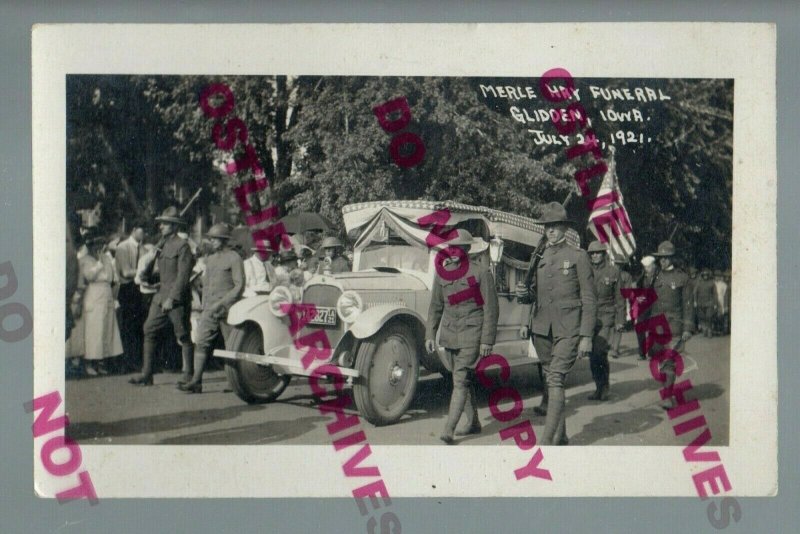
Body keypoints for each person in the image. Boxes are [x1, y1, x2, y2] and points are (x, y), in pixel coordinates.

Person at [517, 202, 595, 446]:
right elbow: (535, 295)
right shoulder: (539, 256)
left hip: (569, 329)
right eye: (547, 226)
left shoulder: (578, 256)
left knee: (556, 379)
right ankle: (560, 436)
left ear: (565, 228)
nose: (550, 231)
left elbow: (589, 299)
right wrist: (524, 294)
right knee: (551, 377)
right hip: (541, 328)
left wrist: (586, 336)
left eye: (555, 226)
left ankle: (547, 441)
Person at [426, 230, 498, 444]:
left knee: (460, 380)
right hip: (449, 336)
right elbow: (435, 307)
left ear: (467, 249)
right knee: (462, 379)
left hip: (471, 335)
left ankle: (449, 429)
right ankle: (474, 422)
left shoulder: (481, 272)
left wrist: (487, 340)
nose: (454, 252)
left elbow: (491, 310)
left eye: (459, 247)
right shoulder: (442, 274)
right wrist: (430, 334)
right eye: (451, 247)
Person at [129, 206, 194, 386]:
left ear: (174, 226)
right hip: (160, 295)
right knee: (149, 329)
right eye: (161, 224)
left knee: (183, 335)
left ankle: (188, 374)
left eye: (165, 224)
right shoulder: (162, 244)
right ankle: (147, 374)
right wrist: (148, 274)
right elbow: (159, 271)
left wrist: (172, 299)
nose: (161, 227)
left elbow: (183, 276)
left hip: (176, 299)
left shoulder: (183, 247)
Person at [179, 223, 244, 393]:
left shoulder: (234, 258)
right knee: (201, 342)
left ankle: (234, 383)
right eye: (211, 238)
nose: (212, 241)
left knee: (231, 346)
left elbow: (239, 286)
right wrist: (204, 301)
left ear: (224, 240)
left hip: (228, 310)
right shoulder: (210, 259)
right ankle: (196, 381)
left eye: (215, 239)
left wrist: (222, 303)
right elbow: (206, 284)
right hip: (209, 309)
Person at [649, 241, 693, 410]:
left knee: (669, 362)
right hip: (656, 325)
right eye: (661, 258)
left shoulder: (682, 278)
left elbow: (688, 305)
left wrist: (687, 328)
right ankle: (667, 387)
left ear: (672, 258)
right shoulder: (655, 276)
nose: (663, 261)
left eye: (666, 258)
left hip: (674, 325)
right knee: (657, 357)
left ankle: (667, 396)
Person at [75, 230, 124, 375]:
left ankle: (101, 361)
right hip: (94, 295)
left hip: (106, 294)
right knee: (94, 331)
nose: (99, 247)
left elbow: (111, 277)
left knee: (106, 329)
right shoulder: (85, 259)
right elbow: (89, 276)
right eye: (95, 244)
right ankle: (89, 362)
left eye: (101, 244)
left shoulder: (106, 258)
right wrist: (98, 264)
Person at [586, 241, 625, 401]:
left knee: (599, 351)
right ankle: (598, 387)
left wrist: (620, 320)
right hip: (589, 317)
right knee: (591, 354)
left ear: (604, 254)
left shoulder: (614, 272)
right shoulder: (586, 272)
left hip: (606, 315)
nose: (594, 255)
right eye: (592, 253)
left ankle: (605, 386)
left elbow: (620, 298)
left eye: (598, 253)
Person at [114, 224, 145, 372]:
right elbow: (126, 272)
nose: (143, 234)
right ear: (133, 230)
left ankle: (137, 361)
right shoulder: (123, 247)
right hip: (128, 289)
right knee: (128, 327)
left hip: (140, 289)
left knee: (138, 326)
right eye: (141, 230)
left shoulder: (143, 247)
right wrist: (144, 271)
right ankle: (127, 362)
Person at [608, 258, 634, 359]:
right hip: (609, 302)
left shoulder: (626, 276)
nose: (618, 266)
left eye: (620, 264)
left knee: (619, 326)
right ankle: (611, 345)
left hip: (621, 302)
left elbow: (627, 291)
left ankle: (615, 349)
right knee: (609, 325)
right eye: (617, 264)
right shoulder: (609, 274)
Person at [635, 255, 659, 360]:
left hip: (655, 304)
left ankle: (651, 352)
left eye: (648, 267)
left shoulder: (659, 275)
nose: (646, 269)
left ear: (653, 266)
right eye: (645, 267)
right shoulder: (642, 276)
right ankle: (642, 352)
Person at [694, 268, 718, 337]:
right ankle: (705, 329)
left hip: (709, 303)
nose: (705, 276)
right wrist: (695, 301)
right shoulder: (699, 283)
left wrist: (715, 303)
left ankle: (709, 330)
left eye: (706, 275)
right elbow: (695, 293)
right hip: (700, 303)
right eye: (704, 275)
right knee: (702, 317)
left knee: (709, 317)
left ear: (708, 275)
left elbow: (715, 294)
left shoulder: (712, 283)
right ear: (702, 275)